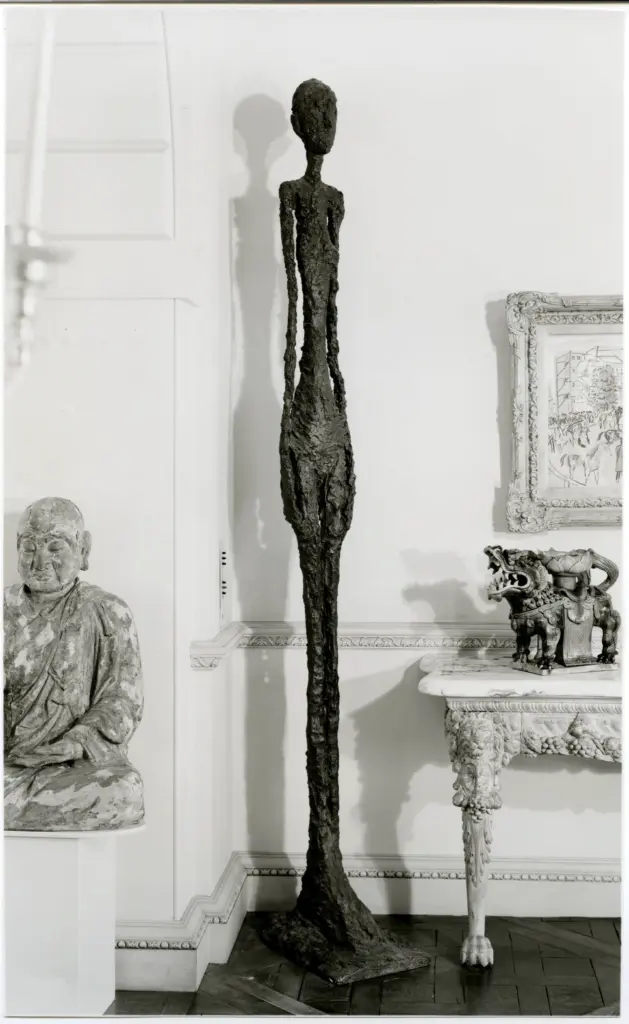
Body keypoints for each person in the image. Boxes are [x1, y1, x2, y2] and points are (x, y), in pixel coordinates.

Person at [4, 497, 145, 831]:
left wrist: (76, 742)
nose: (40, 561)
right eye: (29, 548)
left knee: (124, 793)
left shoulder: (108, 612)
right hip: (9, 763)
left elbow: (123, 700)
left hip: (75, 765)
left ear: (83, 550)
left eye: (55, 548)